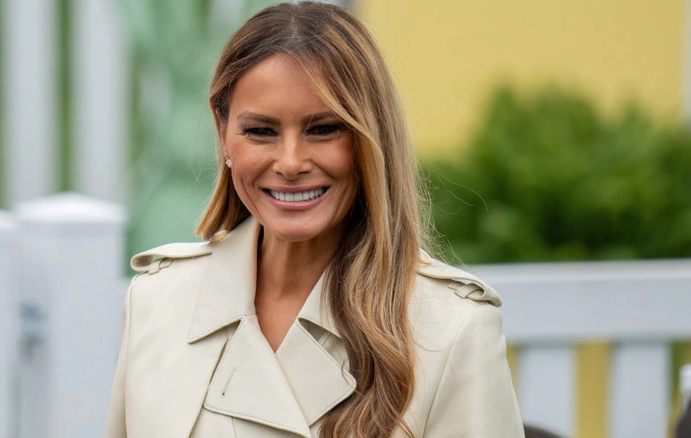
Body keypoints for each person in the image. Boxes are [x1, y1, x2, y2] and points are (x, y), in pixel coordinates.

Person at [105, 2, 523, 437]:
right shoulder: (156, 301)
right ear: (223, 132)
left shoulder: (453, 329)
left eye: (323, 129)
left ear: (371, 136)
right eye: (261, 131)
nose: (290, 163)